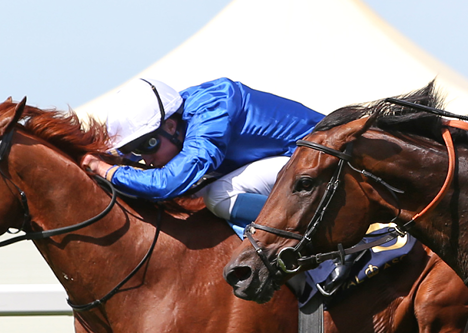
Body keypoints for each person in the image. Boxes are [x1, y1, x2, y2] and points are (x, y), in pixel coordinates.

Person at [79, 77, 324, 227]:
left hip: (320, 161)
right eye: (137, 151)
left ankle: (320, 229)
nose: (147, 159)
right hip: (295, 161)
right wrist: (117, 160)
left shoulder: (211, 113)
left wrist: (108, 171)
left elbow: (168, 182)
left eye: (148, 146)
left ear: (171, 126)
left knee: (218, 195)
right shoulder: (178, 116)